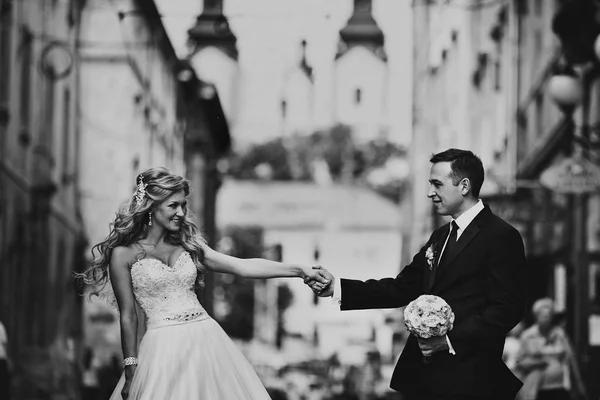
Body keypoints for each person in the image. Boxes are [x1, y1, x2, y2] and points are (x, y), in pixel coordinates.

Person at [75, 167, 329, 400]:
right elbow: (128, 316)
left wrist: (299, 269)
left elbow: (242, 266)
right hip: (162, 348)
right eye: (173, 205)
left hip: (206, 340)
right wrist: (131, 368)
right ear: (151, 207)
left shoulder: (189, 245)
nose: (181, 213)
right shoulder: (123, 254)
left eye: (183, 205)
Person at [307, 149, 527, 400]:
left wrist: (449, 340)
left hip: (472, 379)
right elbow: (403, 286)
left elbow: (508, 307)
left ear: (464, 186)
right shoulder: (440, 236)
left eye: (437, 184)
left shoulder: (500, 235)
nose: (430, 192)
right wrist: (338, 288)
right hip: (425, 379)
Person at [515, 298, 586, 400]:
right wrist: (537, 362)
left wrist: (579, 385)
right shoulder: (528, 335)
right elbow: (519, 363)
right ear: (536, 316)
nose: (546, 318)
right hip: (536, 388)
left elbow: (571, 358)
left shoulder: (559, 333)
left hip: (560, 386)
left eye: (548, 316)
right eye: (543, 316)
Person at [0, 319, 10, 400]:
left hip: (1, 357)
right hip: (1, 357)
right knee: (3, 382)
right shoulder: (1, 326)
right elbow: (4, 343)